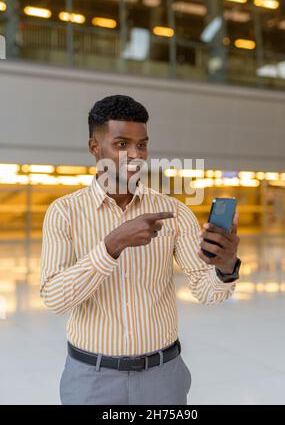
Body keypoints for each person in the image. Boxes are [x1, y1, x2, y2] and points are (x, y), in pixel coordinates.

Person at [40, 95, 241, 405]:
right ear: (96, 148)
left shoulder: (173, 211)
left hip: (163, 377)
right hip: (91, 379)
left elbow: (207, 292)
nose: (135, 155)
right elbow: (54, 298)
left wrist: (225, 268)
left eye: (142, 145)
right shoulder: (64, 212)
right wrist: (111, 246)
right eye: (121, 144)